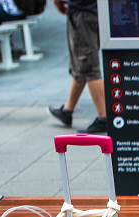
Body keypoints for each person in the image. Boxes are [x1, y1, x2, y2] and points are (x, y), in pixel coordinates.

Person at [46, 0, 106, 134]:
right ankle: (67, 111)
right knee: (82, 64)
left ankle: (104, 118)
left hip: (84, 11)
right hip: (99, 11)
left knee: (88, 66)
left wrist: (57, 1)